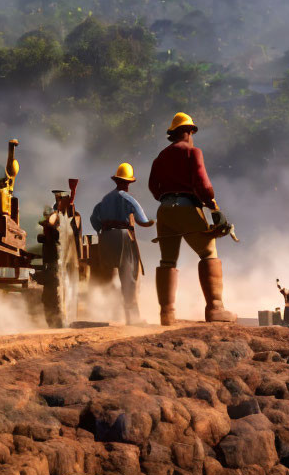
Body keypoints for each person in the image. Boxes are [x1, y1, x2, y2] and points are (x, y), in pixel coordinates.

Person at [148, 112, 236, 325]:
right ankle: (215, 308)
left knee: (167, 260)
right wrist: (212, 205)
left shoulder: (160, 157)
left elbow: (152, 186)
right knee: (208, 252)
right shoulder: (192, 152)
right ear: (188, 132)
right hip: (187, 207)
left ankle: (166, 314)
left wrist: (165, 198)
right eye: (191, 132)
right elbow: (202, 183)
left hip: (165, 210)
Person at [89, 163, 155, 325]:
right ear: (127, 183)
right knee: (130, 276)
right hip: (123, 237)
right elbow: (143, 220)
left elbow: (93, 218)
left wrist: (102, 230)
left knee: (106, 276)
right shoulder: (127, 198)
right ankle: (132, 318)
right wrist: (152, 223)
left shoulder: (105, 199)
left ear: (116, 180)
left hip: (105, 238)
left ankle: (103, 314)